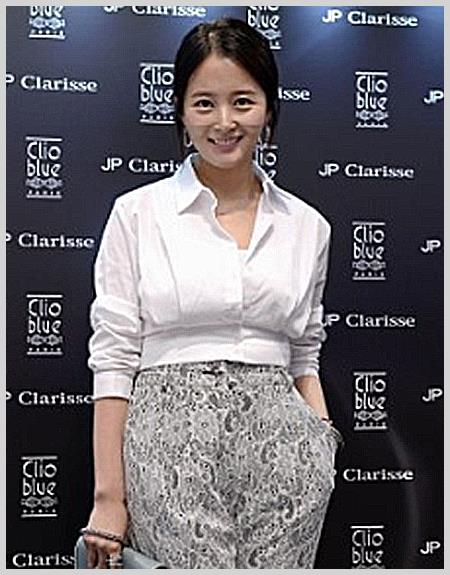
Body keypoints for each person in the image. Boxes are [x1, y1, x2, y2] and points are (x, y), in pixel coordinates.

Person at [80, 17, 344, 569]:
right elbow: (114, 357)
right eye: (205, 103)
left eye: (242, 102)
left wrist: (322, 443)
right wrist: (109, 497)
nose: (225, 122)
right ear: (181, 112)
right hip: (169, 447)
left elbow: (305, 353)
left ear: (268, 108)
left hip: (287, 455)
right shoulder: (138, 214)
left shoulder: (308, 226)